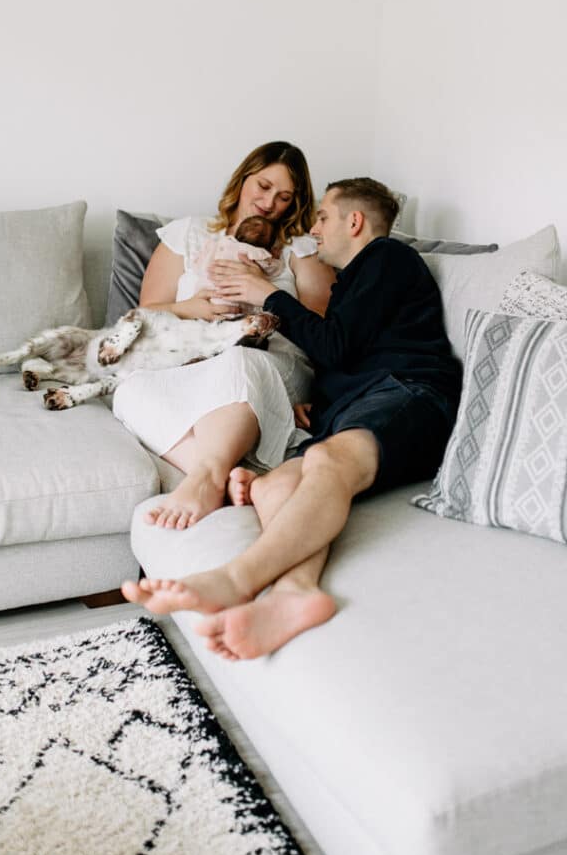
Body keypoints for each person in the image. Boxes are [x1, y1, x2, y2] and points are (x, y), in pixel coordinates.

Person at [122, 177, 462, 660]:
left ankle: (237, 577)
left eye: (323, 217)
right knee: (270, 486)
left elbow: (336, 345)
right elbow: (344, 354)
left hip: (412, 392)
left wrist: (268, 295)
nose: (315, 228)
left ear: (355, 221)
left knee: (328, 459)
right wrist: (317, 407)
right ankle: (297, 592)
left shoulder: (387, 258)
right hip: (363, 405)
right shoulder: (352, 283)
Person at [112, 141, 335, 528]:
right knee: (129, 387)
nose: (269, 203)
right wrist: (191, 309)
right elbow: (147, 314)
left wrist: (264, 291)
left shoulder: (300, 249)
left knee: (238, 359)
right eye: (263, 187)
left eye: (284, 197)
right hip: (188, 362)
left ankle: (206, 478)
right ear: (243, 178)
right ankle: (227, 473)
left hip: (265, 362)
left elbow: (322, 329)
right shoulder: (189, 235)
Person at [190, 215, 282, 309]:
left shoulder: (220, 244)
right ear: (269, 245)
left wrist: (199, 263)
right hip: (235, 301)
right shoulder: (259, 254)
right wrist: (275, 258)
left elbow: (198, 265)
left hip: (206, 295)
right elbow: (273, 269)